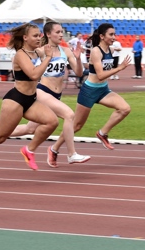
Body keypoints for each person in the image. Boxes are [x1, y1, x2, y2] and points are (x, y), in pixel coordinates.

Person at [0, 23, 59, 183]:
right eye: (36, 35)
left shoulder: (36, 52)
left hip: (31, 100)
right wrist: (49, 57)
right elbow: (33, 74)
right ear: (25, 38)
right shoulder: (21, 55)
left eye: (40, 35)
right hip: (15, 100)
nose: (39, 38)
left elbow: (49, 55)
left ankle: (29, 150)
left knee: (52, 121)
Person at [11, 21, 91, 166]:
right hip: (42, 91)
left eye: (62, 32)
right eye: (58, 32)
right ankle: (72, 154)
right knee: (69, 114)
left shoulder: (65, 51)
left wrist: (78, 58)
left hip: (56, 95)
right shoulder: (40, 51)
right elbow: (26, 64)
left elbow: (79, 73)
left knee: (30, 128)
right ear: (48, 34)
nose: (61, 35)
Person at [53, 23, 131, 155]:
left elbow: (105, 73)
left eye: (114, 34)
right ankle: (54, 148)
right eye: (111, 34)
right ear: (102, 36)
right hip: (89, 91)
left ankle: (102, 133)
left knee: (125, 109)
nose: (114, 37)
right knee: (77, 126)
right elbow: (100, 75)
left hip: (103, 90)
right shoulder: (96, 51)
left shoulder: (111, 50)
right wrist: (119, 68)